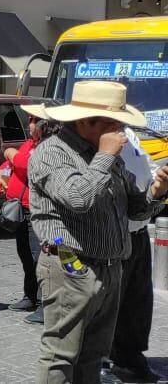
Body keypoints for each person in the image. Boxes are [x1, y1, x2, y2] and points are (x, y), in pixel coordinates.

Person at [28, 80, 167, 384]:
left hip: (110, 267)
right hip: (69, 266)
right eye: (113, 121)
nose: (120, 129)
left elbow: (134, 209)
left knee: (93, 354)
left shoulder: (107, 155)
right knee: (60, 355)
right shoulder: (53, 153)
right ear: (84, 121)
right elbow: (78, 199)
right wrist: (104, 157)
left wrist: (158, 192)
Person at [104, 126, 164, 383]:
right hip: (112, 236)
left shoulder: (130, 135)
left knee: (138, 302)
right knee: (107, 304)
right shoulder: (96, 141)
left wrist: (158, 180)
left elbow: (147, 169)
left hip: (138, 231)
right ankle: (101, 361)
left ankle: (130, 356)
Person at [0, 105, 56, 326]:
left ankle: (46, 306)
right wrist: (1, 173)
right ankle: (30, 296)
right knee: (26, 256)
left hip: (38, 212)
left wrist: (11, 153)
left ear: (44, 124)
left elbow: (28, 165)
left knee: (41, 258)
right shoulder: (31, 143)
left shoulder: (51, 146)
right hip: (22, 209)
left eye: (32, 119)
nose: (28, 124)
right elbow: (10, 164)